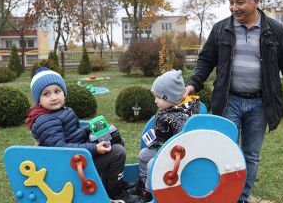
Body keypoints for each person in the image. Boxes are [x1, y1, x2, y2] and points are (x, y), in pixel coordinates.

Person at [184, 0, 283, 202]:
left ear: (256, 2)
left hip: (260, 104)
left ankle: (240, 198)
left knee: (250, 155)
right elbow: (205, 60)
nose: (234, 8)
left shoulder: (275, 31)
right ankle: (220, 195)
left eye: (239, 2)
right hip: (228, 101)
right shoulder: (221, 29)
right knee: (222, 151)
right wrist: (193, 83)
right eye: (231, 2)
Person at [25, 67, 138, 202]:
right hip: (71, 167)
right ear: (39, 100)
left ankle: (113, 183)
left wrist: (90, 128)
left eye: (57, 91)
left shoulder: (63, 111)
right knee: (117, 151)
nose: (54, 97)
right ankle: (114, 192)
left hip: (78, 156)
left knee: (114, 139)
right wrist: (95, 148)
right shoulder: (46, 120)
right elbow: (61, 149)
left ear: (64, 93)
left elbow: (74, 134)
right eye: (46, 94)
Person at [129, 70, 200, 202]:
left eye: (158, 97)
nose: (155, 101)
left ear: (170, 98)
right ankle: (145, 186)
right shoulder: (168, 109)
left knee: (152, 164)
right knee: (144, 155)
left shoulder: (180, 117)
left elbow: (182, 141)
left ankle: (151, 194)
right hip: (163, 148)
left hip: (176, 154)